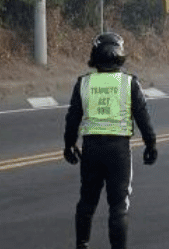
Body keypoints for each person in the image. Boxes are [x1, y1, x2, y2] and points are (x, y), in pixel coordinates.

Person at [63, 32, 157, 249]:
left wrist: (69, 144)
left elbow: (72, 118)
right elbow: (143, 117)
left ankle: (82, 245)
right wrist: (150, 144)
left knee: (87, 202)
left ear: (95, 55)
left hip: (91, 149)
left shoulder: (84, 83)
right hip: (118, 151)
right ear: (119, 55)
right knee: (118, 206)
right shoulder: (129, 83)